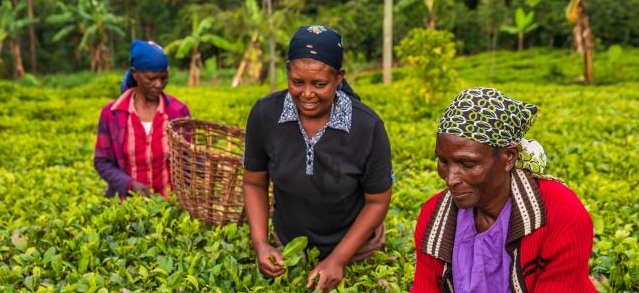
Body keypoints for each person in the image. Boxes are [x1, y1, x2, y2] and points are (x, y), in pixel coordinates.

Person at [242, 25, 393, 292]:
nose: (307, 94)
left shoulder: (366, 126)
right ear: (287, 73)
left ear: (339, 78)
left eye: (320, 84)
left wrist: (338, 260)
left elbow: (378, 200)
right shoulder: (265, 115)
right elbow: (254, 183)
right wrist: (261, 243)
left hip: (356, 250)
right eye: (297, 82)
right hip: (288, 246)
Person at [411, 87, 595, 292]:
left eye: (468, 164)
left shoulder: (561, 213)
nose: (450, 179)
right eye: (443, 161)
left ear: (508, 157)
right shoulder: (434, 216)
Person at [94, 40, 191, 200]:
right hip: (128, 208)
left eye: (164, 78)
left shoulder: (178, 112)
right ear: (135, 74)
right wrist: (130, 185)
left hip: (170, 207)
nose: (159, 85)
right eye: (151, 79)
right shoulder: (112, 114)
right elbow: (102, 161)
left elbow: (189, 159)